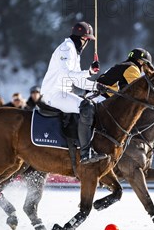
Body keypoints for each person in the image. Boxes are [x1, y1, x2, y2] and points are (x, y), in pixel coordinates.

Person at [40, 21, 105, 164]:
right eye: (87, 39)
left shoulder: (74, 52)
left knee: (92, 104)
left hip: (62, 92)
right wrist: (88, 72)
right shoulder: (66, 48)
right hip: (54, 93)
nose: (87, 43)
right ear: (82, 38)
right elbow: (66, 74)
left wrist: (97, 86)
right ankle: (85, 153)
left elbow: (77, 81)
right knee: (86, 107)